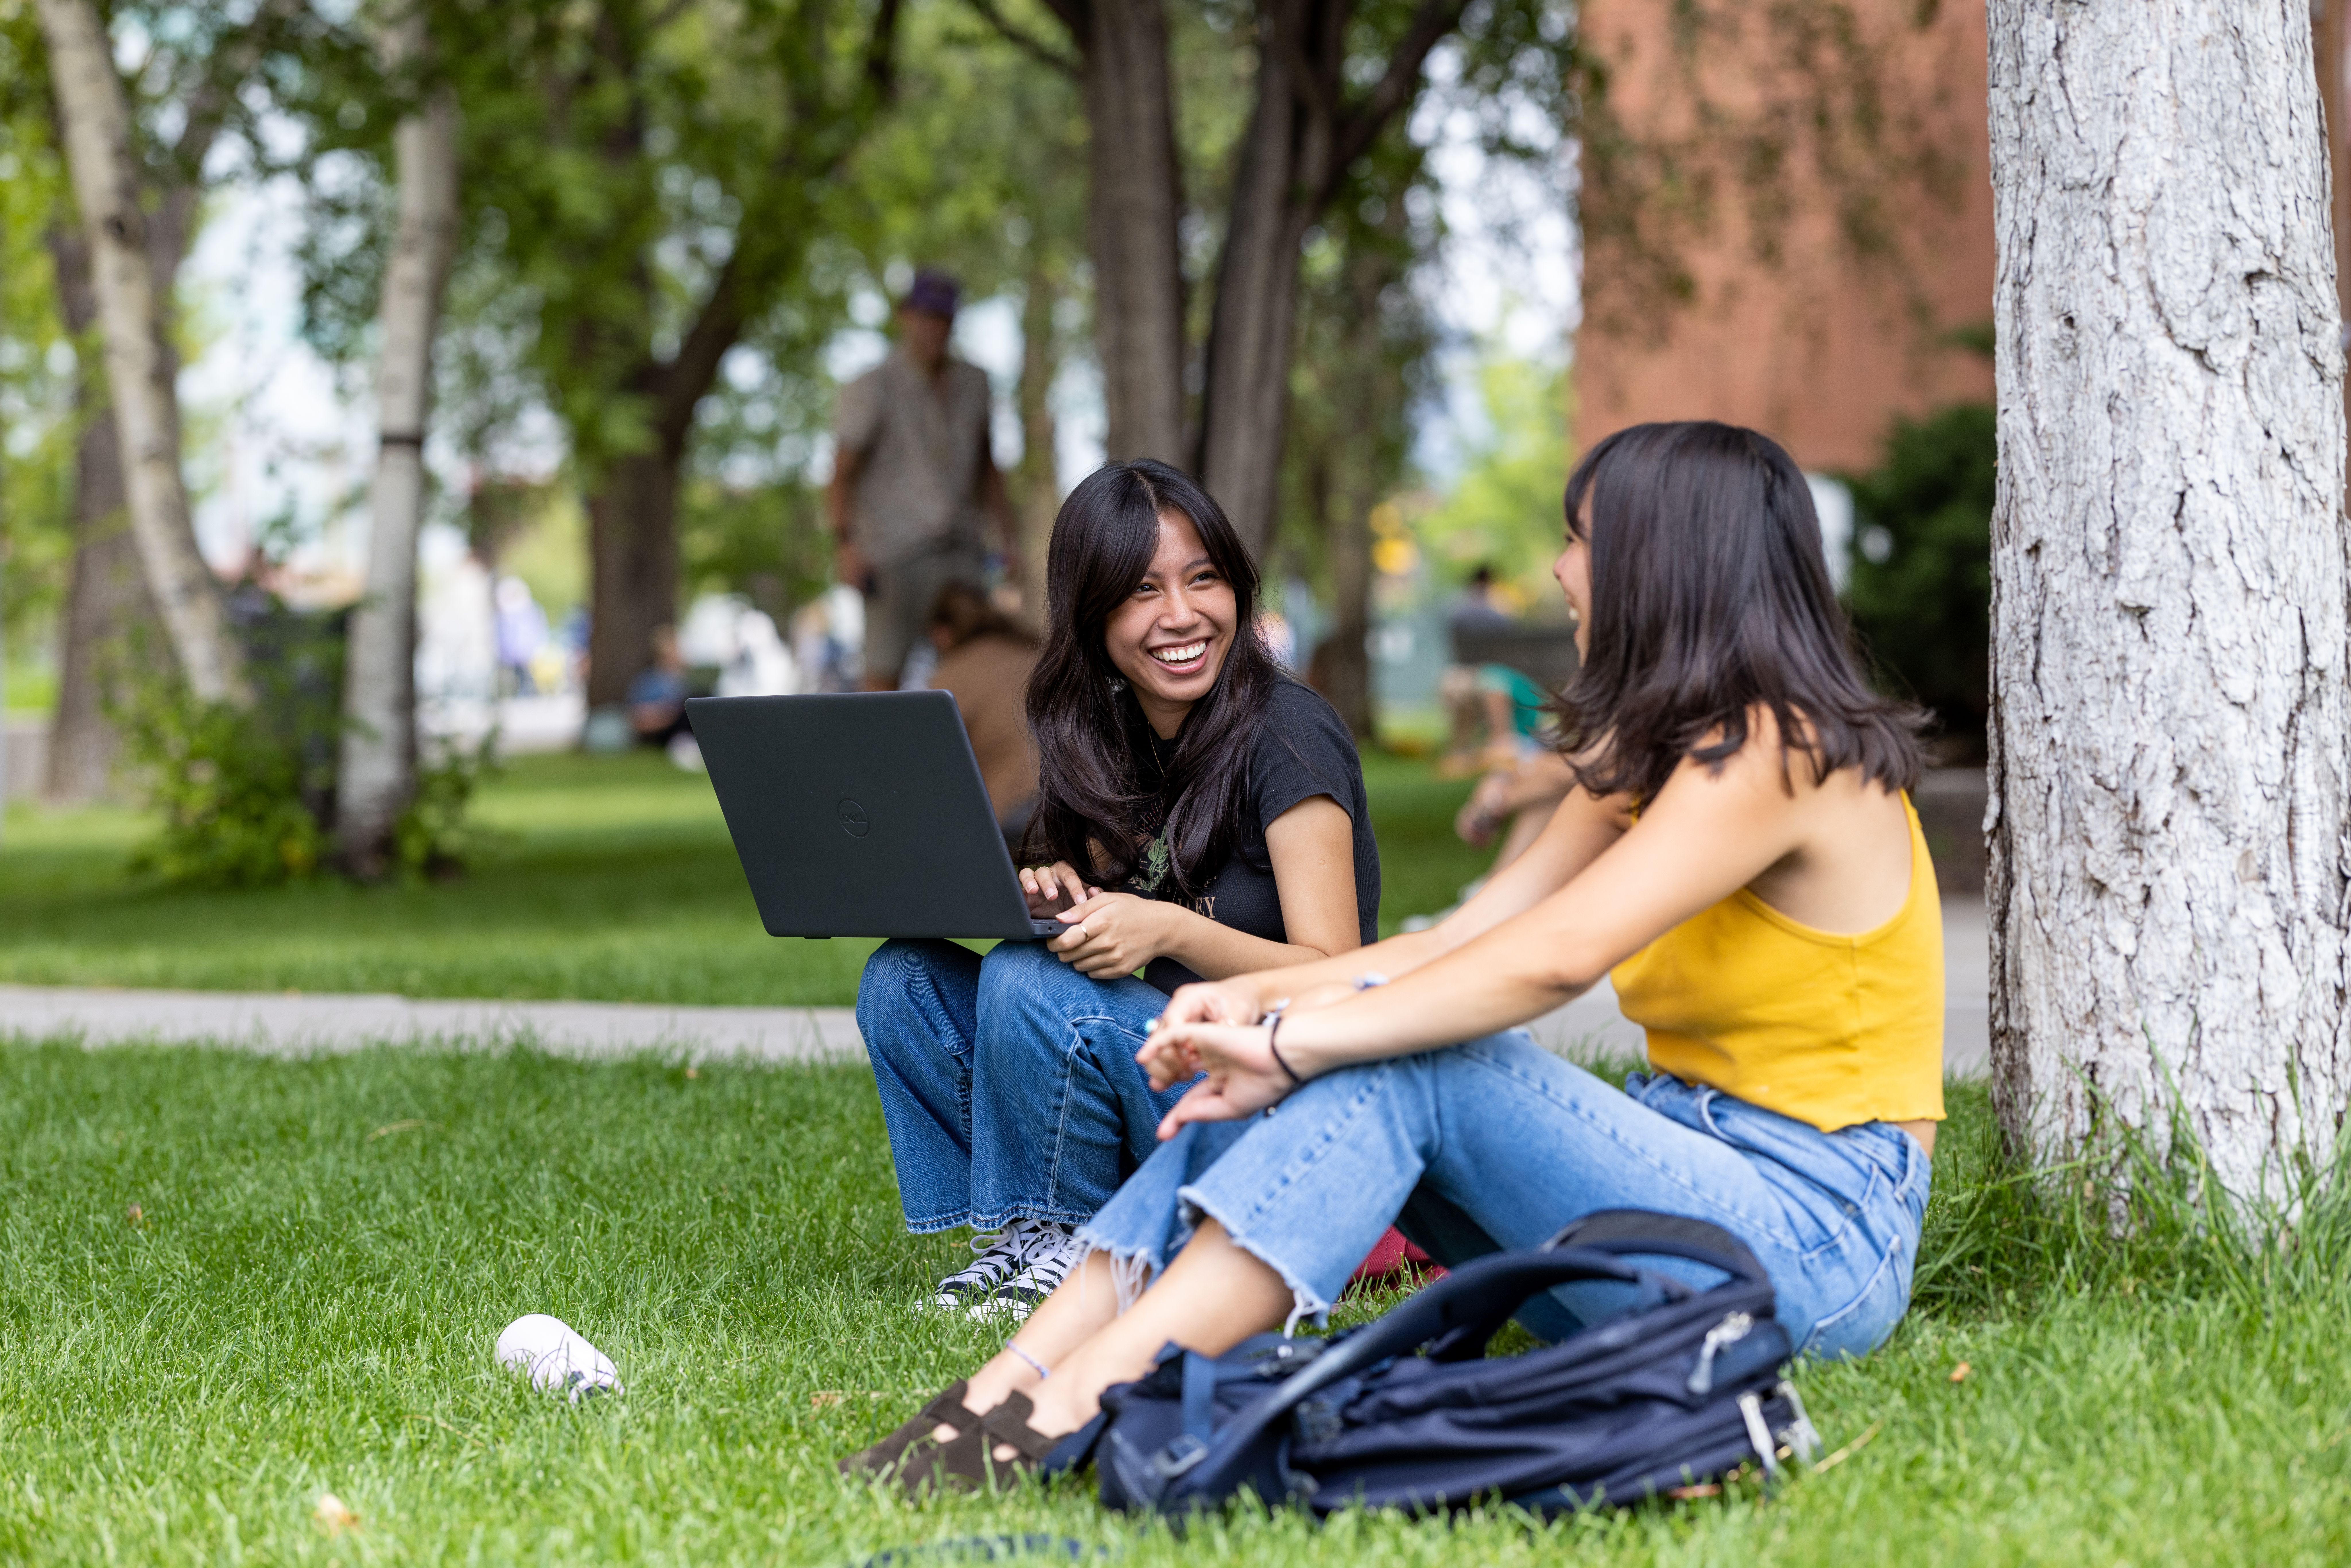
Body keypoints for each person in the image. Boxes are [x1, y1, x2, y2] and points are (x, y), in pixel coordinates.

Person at [846, 421, 1942, 1493]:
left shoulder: (1779, 744)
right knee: (1358, 1049)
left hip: (1812, 1240)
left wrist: (1290, 1039)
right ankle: (1003, 1388)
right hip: (1675, 1191)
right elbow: (1454, 938)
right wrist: (1237, 1008)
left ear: (1664, 558)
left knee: (1403, 1056)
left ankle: (1070, 1404)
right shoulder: (1640, 758)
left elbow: (1554, 957)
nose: (1556, 566)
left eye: (1577, 537)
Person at [853, 459, 1382, 1323]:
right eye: (1142, 590)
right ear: (1093, 615)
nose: (1181, 615)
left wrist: (1166, 930)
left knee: (1026, 986)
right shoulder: (1104, 733)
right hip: (1151, 1072)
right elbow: (1116, 918)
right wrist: (1056, 891)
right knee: (904, 979)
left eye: (1201, 578)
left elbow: (1339, 975)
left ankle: (1088, 1245)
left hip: (1265, 1100)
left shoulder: (1289, 733)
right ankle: (1023, 1232)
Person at [827, 269, 1023, 690]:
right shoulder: (873, 385)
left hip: (962, 547)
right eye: (926, 317)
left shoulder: (976, 381)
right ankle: (876, 756)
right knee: (883, 675)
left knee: (977, 667)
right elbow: (842, 470)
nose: (935, 328)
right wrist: (846, 546)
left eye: (944, 318)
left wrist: (1009, 542)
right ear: (905, 318)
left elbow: (989, 466)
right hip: (894, 550)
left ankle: (969, 755)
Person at [919, 582, 1042, 842]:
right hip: (1074, 800)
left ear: (941, 633)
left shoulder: (949, 677)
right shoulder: (1034, 651)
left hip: (1014, 812)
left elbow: (928, 766)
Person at [626, 625, 690, 747]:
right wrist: (668, 712)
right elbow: (638, 717)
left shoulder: (683, 681)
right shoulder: (648, 682)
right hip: (663, 733)